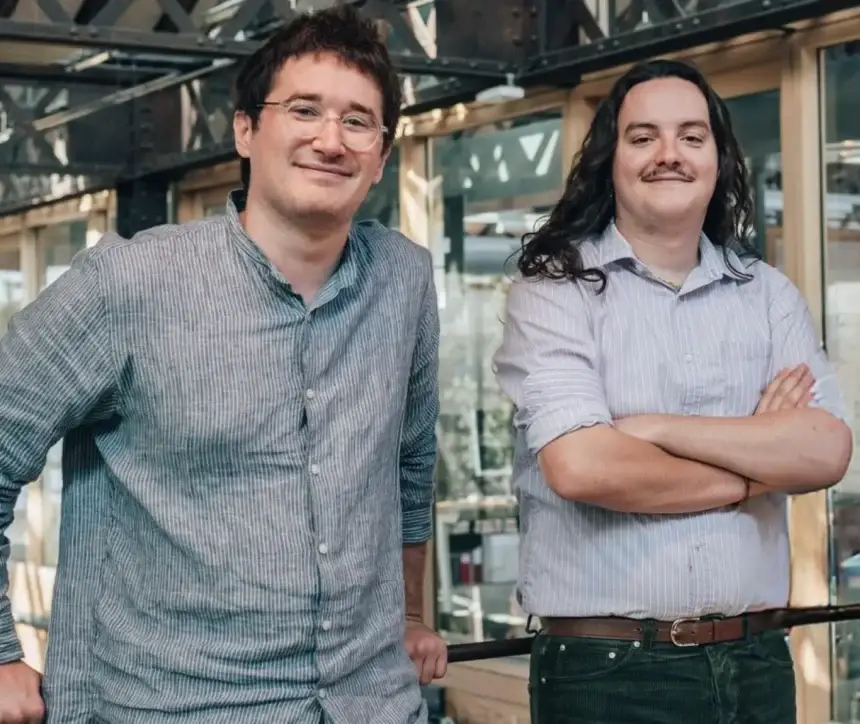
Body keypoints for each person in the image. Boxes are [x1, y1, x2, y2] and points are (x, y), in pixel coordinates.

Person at [0, 6, 447, 724]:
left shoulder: (404, 279)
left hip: (372, 702)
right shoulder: (130, 284)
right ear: (245, 130)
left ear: (382, 154)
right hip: (177, 705)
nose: (330, 140)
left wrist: (413, 616)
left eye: (358, 121)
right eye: (304, 110)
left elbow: (411, 464)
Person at [493, 59, 853, 723]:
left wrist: (654, 429)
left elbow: (826, 451)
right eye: (643, 137)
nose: (669, 154)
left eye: (691, 136)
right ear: (610, 160)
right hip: (607, 671)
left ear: (719, 159)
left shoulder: (768, 296)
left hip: (756, 661)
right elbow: (583, 466)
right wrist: (756, 470)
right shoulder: (555, 288)